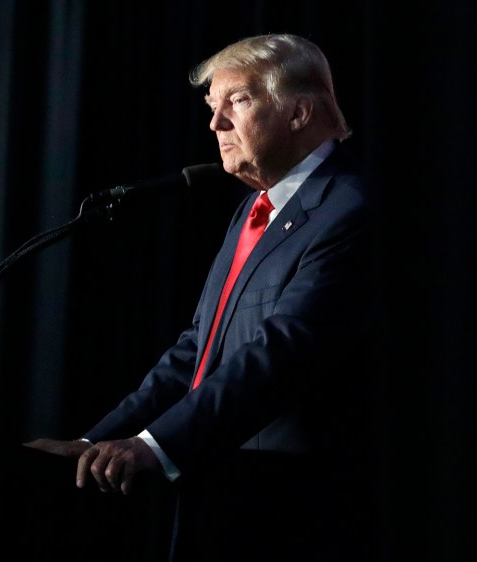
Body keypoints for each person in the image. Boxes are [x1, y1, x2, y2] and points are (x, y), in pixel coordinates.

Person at [26, 33, 376, 562]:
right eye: (212, 107)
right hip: (218, 496)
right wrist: (95, 442)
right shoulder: (255, 209)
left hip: (287, 509)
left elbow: (282, 352)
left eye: (237, 100)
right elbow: (197, 349)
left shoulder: (348, 207)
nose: (215, 125)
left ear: (300, 111)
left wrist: (150, 446)